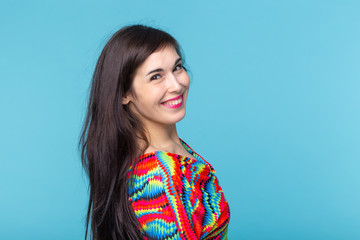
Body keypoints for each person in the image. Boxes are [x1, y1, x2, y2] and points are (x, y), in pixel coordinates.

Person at [79, 25, 230, 240]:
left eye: (177, 67)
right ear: (124, 94)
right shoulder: (157, 180)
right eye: (156, 77)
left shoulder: (174, 151)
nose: (176, 85)